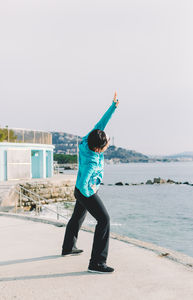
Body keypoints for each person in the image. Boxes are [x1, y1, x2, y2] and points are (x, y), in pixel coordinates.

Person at [61, 92, 119, 273]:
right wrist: (89, 195)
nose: (108, 143)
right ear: (98, 148)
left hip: (79, 190)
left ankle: (68, 247)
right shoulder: (93, 160)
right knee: (104, 220)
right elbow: (86, 180)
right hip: (85, 190)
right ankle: (97, 262)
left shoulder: (88, 139)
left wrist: (113, 107)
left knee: (78, 216)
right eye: (106, 143)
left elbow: (101, 124)